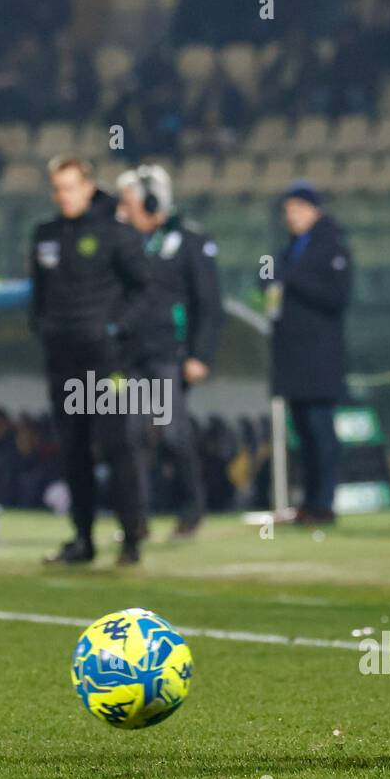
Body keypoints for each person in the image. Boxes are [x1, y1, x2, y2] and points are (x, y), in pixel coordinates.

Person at [30, 156, 153, 565]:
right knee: (73, 451)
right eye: (58, 188)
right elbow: (38, 296)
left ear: (88, 187)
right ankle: (82, 539)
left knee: (119, 447)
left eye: (70, 187)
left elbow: (144, 290)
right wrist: (43, 328)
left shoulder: (116, 233)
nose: (63, 195)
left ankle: (131, 537)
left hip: (107, 364)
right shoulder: (45, 235)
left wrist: (115, 330)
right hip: (62, 361)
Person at [115, 164, 222, 539]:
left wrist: (200, 354)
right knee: (128, 438)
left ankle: (191, 509)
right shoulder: (125, 243)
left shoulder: (190, 241)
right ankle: (136, 519)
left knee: (173, 434)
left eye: (129, 202)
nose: (123, 210)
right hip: (130, 355)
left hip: (168, 354)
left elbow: (208, 303)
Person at [269, 180, 352, 525]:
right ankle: (310, 501)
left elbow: (337, 297)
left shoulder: (332, 245)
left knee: (321, 432)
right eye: (287, 210)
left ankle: (325, 502)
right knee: (303, 433)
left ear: (314, 209)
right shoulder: (292, 248)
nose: (291, 216)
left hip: (320, 358)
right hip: (293, 357)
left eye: (297, 209)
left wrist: (292, 280)